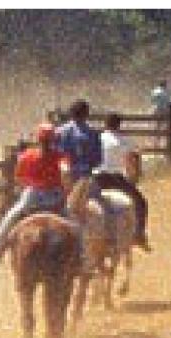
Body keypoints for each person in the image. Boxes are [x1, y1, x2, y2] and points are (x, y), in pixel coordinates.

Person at [0, 123, 71, 278]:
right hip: (55, 198)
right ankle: (84, 261)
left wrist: (32, 183)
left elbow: (19, 178)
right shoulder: (61, 157)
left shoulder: (27, 155)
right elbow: (66, 173)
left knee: (5, 225)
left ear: (37, 139)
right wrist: (66, 189)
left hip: (32, 197)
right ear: (54, 139)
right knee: (75, 227)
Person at [95, 113, 152, 251]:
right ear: (119, 125)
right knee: (141, 203)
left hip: (96, 178)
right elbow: (134, 161)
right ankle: (138, 235)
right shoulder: (126, 141)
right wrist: (134, 178)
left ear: (105, 125)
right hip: (115, 179)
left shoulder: (97, 138)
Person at [56, 99, 102, 183]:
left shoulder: (59, 131)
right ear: (86, 114)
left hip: (63, 176)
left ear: (71, 113)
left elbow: (55, 154)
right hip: (84, 176)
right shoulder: (92, 132)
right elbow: (98, 159)